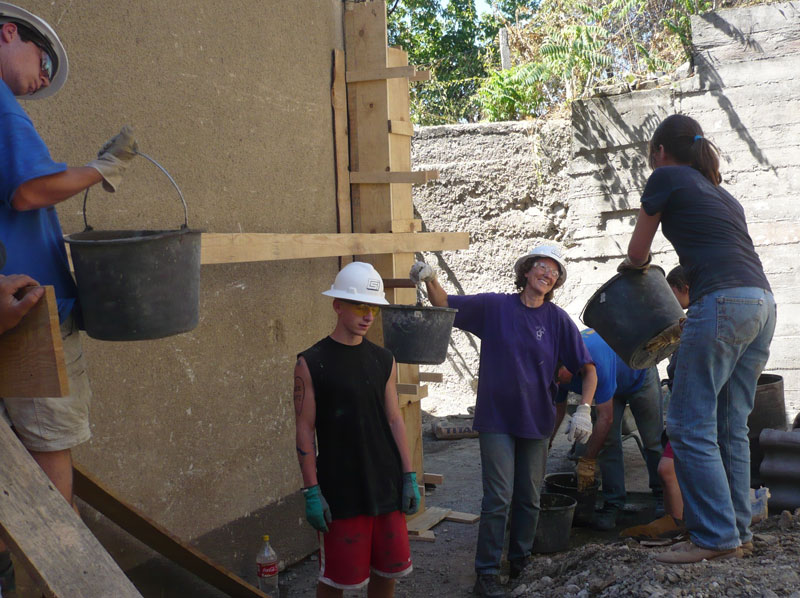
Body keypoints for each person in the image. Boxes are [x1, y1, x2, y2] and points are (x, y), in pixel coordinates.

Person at [0, 3, 137, 591]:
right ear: (8, 33)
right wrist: (100, 168)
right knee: (49, 457)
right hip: (31, 314)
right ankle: (60, 576)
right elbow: (30, 191)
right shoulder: (0, 103)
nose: (43, 78)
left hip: (10, 308)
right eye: (43, 62)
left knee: (13, 470)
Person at [621, 114, 776, 564]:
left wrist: (633, 269)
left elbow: (637, 253)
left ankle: (713, 537)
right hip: (762, 304)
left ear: (660, 151)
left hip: (722, 303)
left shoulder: (665, 177)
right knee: (730, 425)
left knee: (688, 424)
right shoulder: (725, 196)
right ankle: (738, 532)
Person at [411, 245, 597, 597]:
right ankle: (486, 573)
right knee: (498, 497)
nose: (548, 274)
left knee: (529, 497)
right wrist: (430, 277)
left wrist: (584, 409)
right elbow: (444, 303)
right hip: (496, 418)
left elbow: (588, 369)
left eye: (555, 272)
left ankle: (521, 562)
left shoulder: (558, 320)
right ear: (526, 270)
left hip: (537, 421)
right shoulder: (495, 307)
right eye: (542, 266)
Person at [294, 261, 419, 598]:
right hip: (342, 489)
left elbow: (394, 419)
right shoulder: (311, 362)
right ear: (338, 305)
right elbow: (304, 429)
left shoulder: (384, 359)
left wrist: (408, 475)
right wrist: (311, 491)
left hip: (386, 484)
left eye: (373, 308)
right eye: (361, 306)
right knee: (337, 579)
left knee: (387, 572)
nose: (368, 316)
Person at [552, 328, 663, 531]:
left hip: (639, 374)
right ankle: (614, 503)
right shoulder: (556, 372)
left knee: (653, 441)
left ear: (570, 364)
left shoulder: (593, 362)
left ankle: (662, 497)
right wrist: (547, 443)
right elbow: (558, 410)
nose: (557, 383)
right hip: (612, 383)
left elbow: (606, 418)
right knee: (609, 443)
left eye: (559, 378)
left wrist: (588, 461)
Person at [620, 265, 689, 541]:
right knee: (667, 469)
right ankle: (675, 522)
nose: (671, 301)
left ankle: (680, 524)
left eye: (672, 293)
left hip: (696, 411)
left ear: (685, 288)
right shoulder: (689, 322)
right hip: (683, 410)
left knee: (667, 468)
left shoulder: (704, 321)